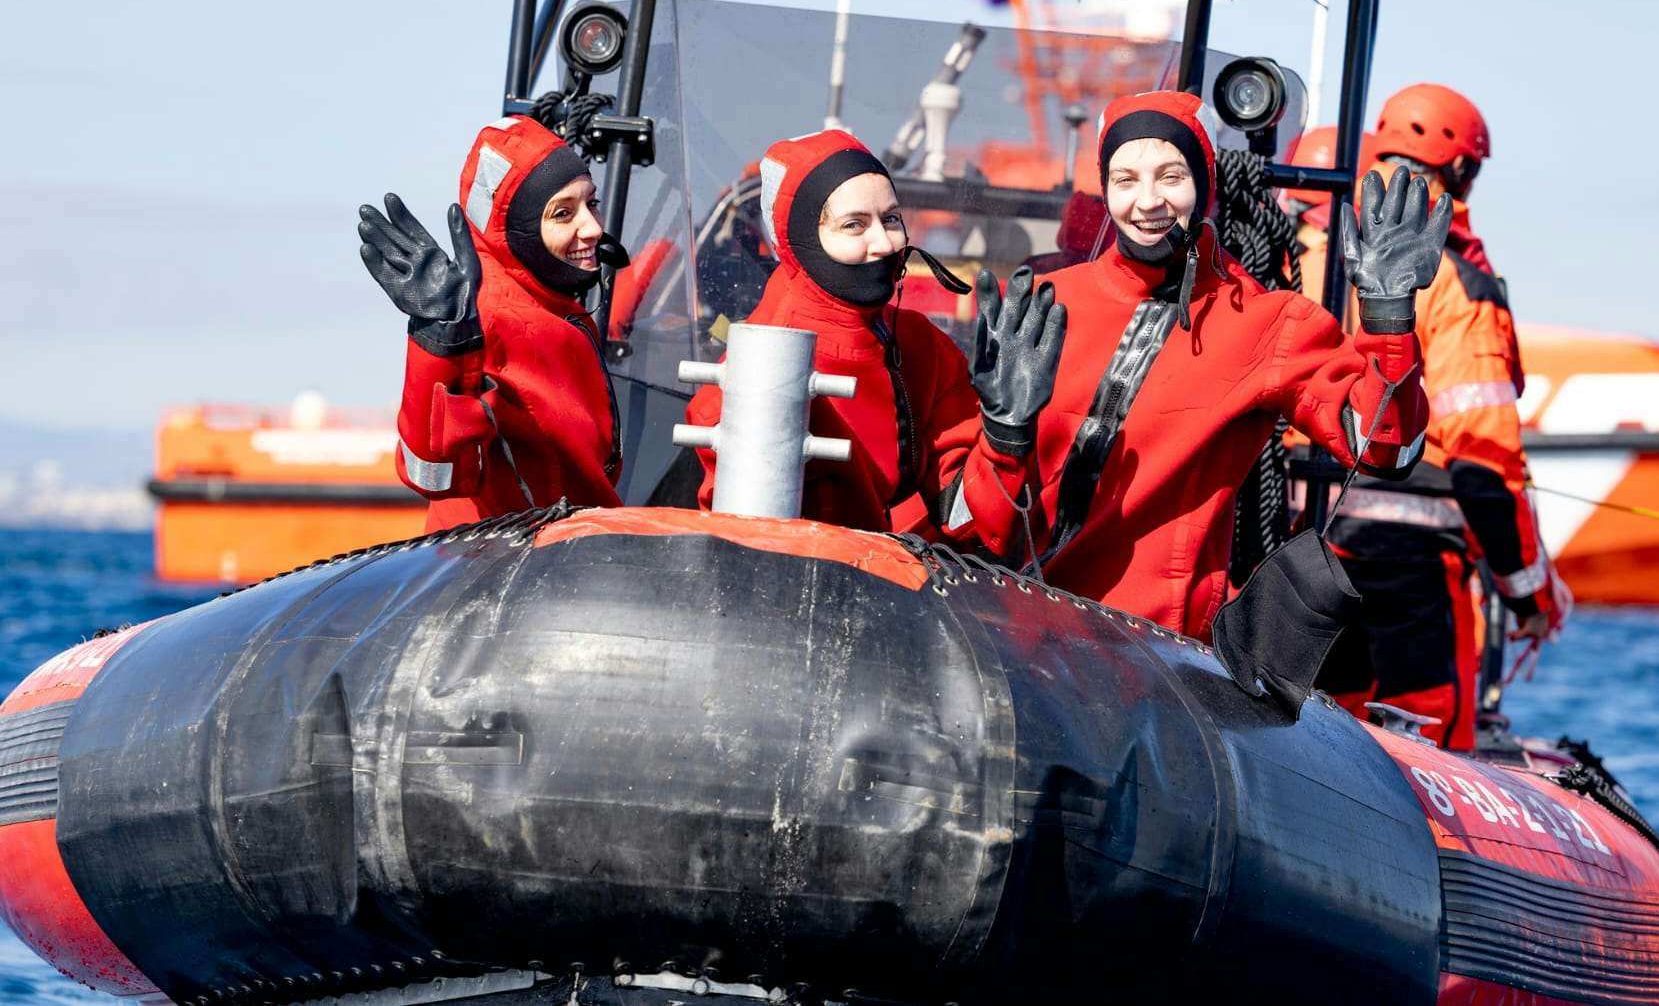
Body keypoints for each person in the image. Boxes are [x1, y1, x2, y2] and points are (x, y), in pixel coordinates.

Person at [943, 90, 1446, 640]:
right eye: (1125, 179)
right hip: (1011, 635)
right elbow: (962, 524)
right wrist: (1005, 435)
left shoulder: (1264, 320)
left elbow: (1385, 447)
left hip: (1152, 664)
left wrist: (1389, 316)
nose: (1148, 200)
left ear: (1204, 184)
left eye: (1171, 176)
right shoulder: (1041, 303)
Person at [1305, 83, 1570, 751]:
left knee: (1313, 732)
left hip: (1294, 544)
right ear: (1458, 170)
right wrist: (1532, 597)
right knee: (1425, 736)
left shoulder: (1299, 252)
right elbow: (1483, 465)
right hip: (1407, 573)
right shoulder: (1455, 283)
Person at [686, 128, 1064, 535]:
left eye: (891, 219)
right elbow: (744, 549)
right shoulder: (758, 370)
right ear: (801, 240)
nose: (884, 243)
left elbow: (965, 520)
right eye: (854, 225)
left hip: (885, 583)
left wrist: (1004, 438)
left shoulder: (922, 347)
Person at [357, 116, 623, 530]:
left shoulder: (559, 309)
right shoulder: (489, 321)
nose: (591, 227)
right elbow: (433, 470)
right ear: (516, 232)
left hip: (572, 557)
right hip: (515, 570)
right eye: (563, 213)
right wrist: (440, 343)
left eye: (592, 204)